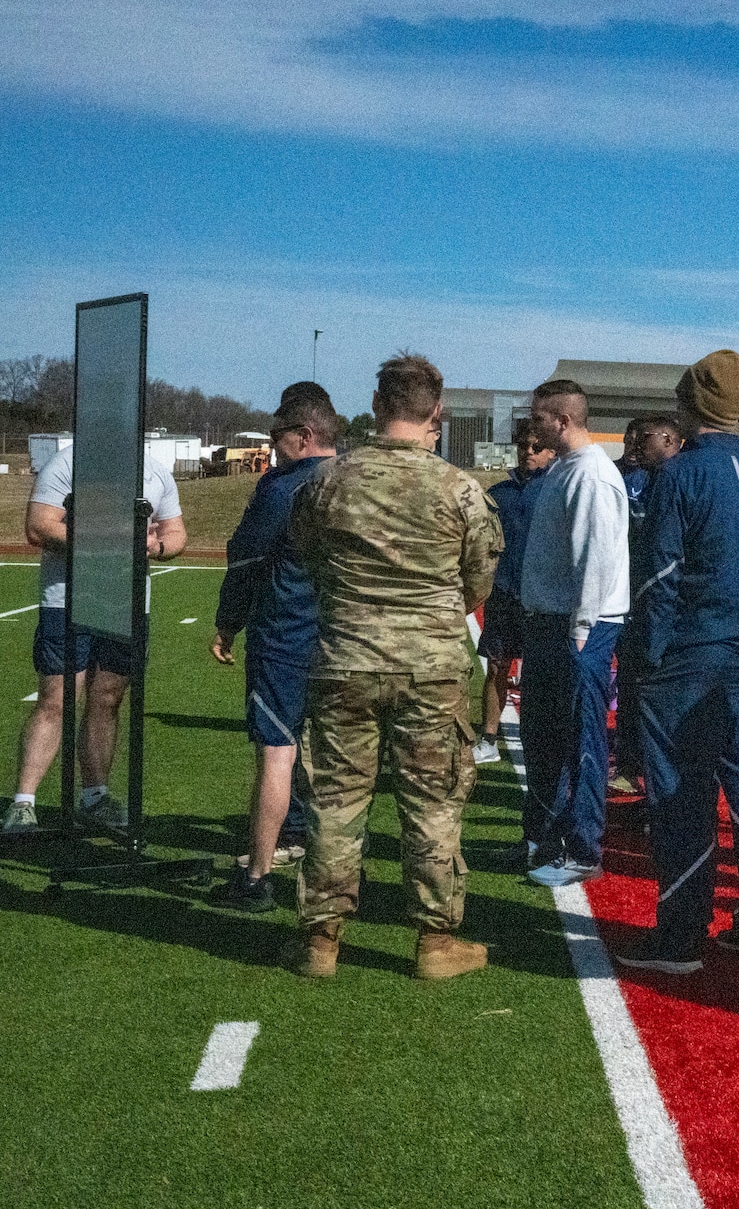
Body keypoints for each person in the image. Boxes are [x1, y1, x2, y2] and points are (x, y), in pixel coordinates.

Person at [288, 352, 501, 979]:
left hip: (345, 659)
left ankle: (321, 940)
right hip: (431, 668)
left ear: (378, 405)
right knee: (433, 803)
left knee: (335, 802)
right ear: (437, 413)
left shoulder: (327, 481)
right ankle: (435, 941)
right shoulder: (459, 489)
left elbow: (307, 555)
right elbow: (478, 580)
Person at [614, 350, 739, 974]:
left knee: (681, 794)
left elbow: (660, 576)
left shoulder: (680, 476)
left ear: (690, 404)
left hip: (689, 658)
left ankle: (683, 933)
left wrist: (646, 653)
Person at [3, 438, 186, 836]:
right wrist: (110, 540)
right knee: (56, 699)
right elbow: (38, 526)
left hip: (127, 602)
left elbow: (176, 533)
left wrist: (156, 545)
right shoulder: (68, 463)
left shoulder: (155, 471)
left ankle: (94, 798)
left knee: (107, 699)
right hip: (68, 599)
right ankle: (23, 804)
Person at [207, 388, 341, 911]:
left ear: (304, 436)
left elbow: (245, 559)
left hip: (286, 636)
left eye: (277, 437)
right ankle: (331, 876)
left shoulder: (285, 487)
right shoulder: (357, 480)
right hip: (350, 642)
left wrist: (227, 623)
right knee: (338, 762)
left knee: (276, 754)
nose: (271, 447)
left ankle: (258, 875)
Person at [518, 379, 630, 888]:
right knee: (543, 735)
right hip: (553, 622)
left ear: (562, 421)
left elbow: (596, 555)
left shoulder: (591, 473)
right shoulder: (564, 468)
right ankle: (543, 836)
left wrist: (582, 626)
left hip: (580, 626)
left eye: (538, 417)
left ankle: (583, 847)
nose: (531, 425)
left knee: (581, 738)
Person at [610, 413, 683, 793]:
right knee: (630, 685)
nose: (636, 445)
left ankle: (662, 782)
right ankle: (629, 766)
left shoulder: (681, 480)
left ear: (669, 440)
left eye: (645, 437)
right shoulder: (630, 478)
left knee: (664, 697)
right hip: (634, 601)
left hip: (672, 607)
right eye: (632, 438)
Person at [475, 426, 555, 765]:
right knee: (496, 667)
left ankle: (538, 741)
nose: (529, 452)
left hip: (541, 602)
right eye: (524, 445)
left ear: (551, 451)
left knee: (538, 674)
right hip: (503, 596)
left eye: (538, 446)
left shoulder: (557, 490)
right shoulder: (498, 494)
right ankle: (488, 739)